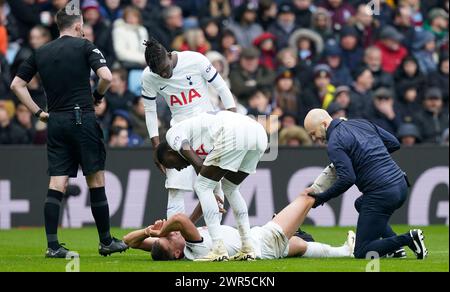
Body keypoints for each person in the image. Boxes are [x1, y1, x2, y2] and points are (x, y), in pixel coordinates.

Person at [10, 6, 127, 258]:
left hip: (56, 121)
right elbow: (106, 77)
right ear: (77, 26)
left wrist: (38, 113)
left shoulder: (41, 51)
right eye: (82, 25)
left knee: (57, 182)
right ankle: (106, 241)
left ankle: (53, 246)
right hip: (81, 118)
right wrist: (97, 96)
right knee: (95, 179)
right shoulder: (86, 46)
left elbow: (16, 84)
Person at [302, 109, 428, 260]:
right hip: (400, 184)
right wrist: (370, 155)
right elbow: (394, 143)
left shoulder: (334, 142)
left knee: (362, 251)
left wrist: (320, 199)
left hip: (382, 193)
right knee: (360, 204)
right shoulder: (360, 123)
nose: (314, 138)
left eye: (313, 133)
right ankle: (397, 249)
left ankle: (409, 238)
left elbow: (347, 178)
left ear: (324, 124)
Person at [140, 37, 236, 224]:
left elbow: (221, 88)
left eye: (166, 69)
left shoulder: (195, 60)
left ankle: (213, 238)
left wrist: (233, 117)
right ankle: (175, 237)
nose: (164, 75)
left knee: (215, 186)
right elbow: (150, 111)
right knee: (175, 186)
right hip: (179, 132)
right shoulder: (148, 76)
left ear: (169, 55)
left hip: (208, 128)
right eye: (159, 73)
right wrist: (157, 148)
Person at [154, 111, 268, 261]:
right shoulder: (200, 142)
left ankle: (218, 249)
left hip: (235, 132)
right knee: (230, 188)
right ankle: (248, 247)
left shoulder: (172, 134)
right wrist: (211, 191)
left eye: (170, 165)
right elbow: (203, 169)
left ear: (170, 152)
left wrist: (208, 188)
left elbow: (187, 150)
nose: (177, 169)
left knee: (201, 186)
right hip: (258, 133)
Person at [122, 191, 355, 261]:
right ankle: (339, 169)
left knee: (301, 246)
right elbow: (181, 220)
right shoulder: (196, 248)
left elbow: (127, 241)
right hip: (263, 240)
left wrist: (148, 232)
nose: (170, 234)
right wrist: (162, 229)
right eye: (169, 238)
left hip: (259, 245)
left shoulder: (178, 246)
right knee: (307, 197)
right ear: (176, 252)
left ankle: (344, 252)